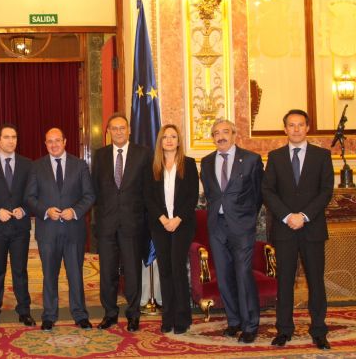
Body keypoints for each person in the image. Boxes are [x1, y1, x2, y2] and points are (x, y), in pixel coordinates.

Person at [262, 109, 334, 350]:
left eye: (300, 125)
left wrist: (303, 216)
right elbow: (268, 190)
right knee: (284, 281)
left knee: (315, 281)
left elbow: (326, 190)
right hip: (284, 230)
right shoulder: (275, 156)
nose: (295, 129)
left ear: (307, 127)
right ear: (285, 129)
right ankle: (284, 329)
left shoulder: (322, 155)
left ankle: (319, 330)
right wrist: (286, 216)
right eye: (291, 125)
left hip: (312, 228)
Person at [200, 119, 264, 343]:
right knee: (224, 276)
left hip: (242, 226)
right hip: (216, 226)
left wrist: (246, 218)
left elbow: (258, 195)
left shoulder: (250, 159)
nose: (221, 136)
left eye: (225, 131)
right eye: (216, 133)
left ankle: (250, 325)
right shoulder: (206, 162)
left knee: (243, 274)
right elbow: (210, 193)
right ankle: (234, 321)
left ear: (234, 134)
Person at [25, 127, 95, 331]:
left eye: (57, 140)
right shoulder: (36, 166)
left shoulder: (79, 165)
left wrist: (74, 211)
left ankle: (80, 315)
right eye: (49, 141)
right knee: (49, 275)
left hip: (74, 230)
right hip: (48, 230)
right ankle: (49, 315)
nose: (54, 144)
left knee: (75, 274)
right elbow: (30, 197)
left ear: (65, 141)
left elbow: (89, 195)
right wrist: (46, 211)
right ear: (45, 144)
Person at [91, 113, 151, 332]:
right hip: (107, 225)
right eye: (114, 128)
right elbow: (95, 191)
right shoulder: (100, 155)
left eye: (122, 128)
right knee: (107, 273)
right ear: (108, 131)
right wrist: (97, 223)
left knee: (132, 273)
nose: (118, 131)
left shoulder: (143, 154)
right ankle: (110, 314)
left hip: (132, 224)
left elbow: (148, 191)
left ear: (129, 130)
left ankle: (133, 315)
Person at [143, 124, 199, 335]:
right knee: (165, 270)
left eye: (173, 136)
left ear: (178, 141)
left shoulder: (189, 164)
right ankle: (168, 317)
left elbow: (192, 196)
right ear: (160, 141)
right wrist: (163, 219)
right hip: (160, 225)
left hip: (182, 225)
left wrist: (177, 219)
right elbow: (148, 196)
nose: (169, 140)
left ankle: (182, 317)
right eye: (165, 137)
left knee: (177, 269)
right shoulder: (152, 165)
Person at [0, 123, 35, 329]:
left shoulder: (28, 164)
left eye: (14, 137)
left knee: (20, 270)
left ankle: (24, 311)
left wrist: (25, 209)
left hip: (20, 226)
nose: (11, 141)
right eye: (7, 137)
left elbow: (33, 194)